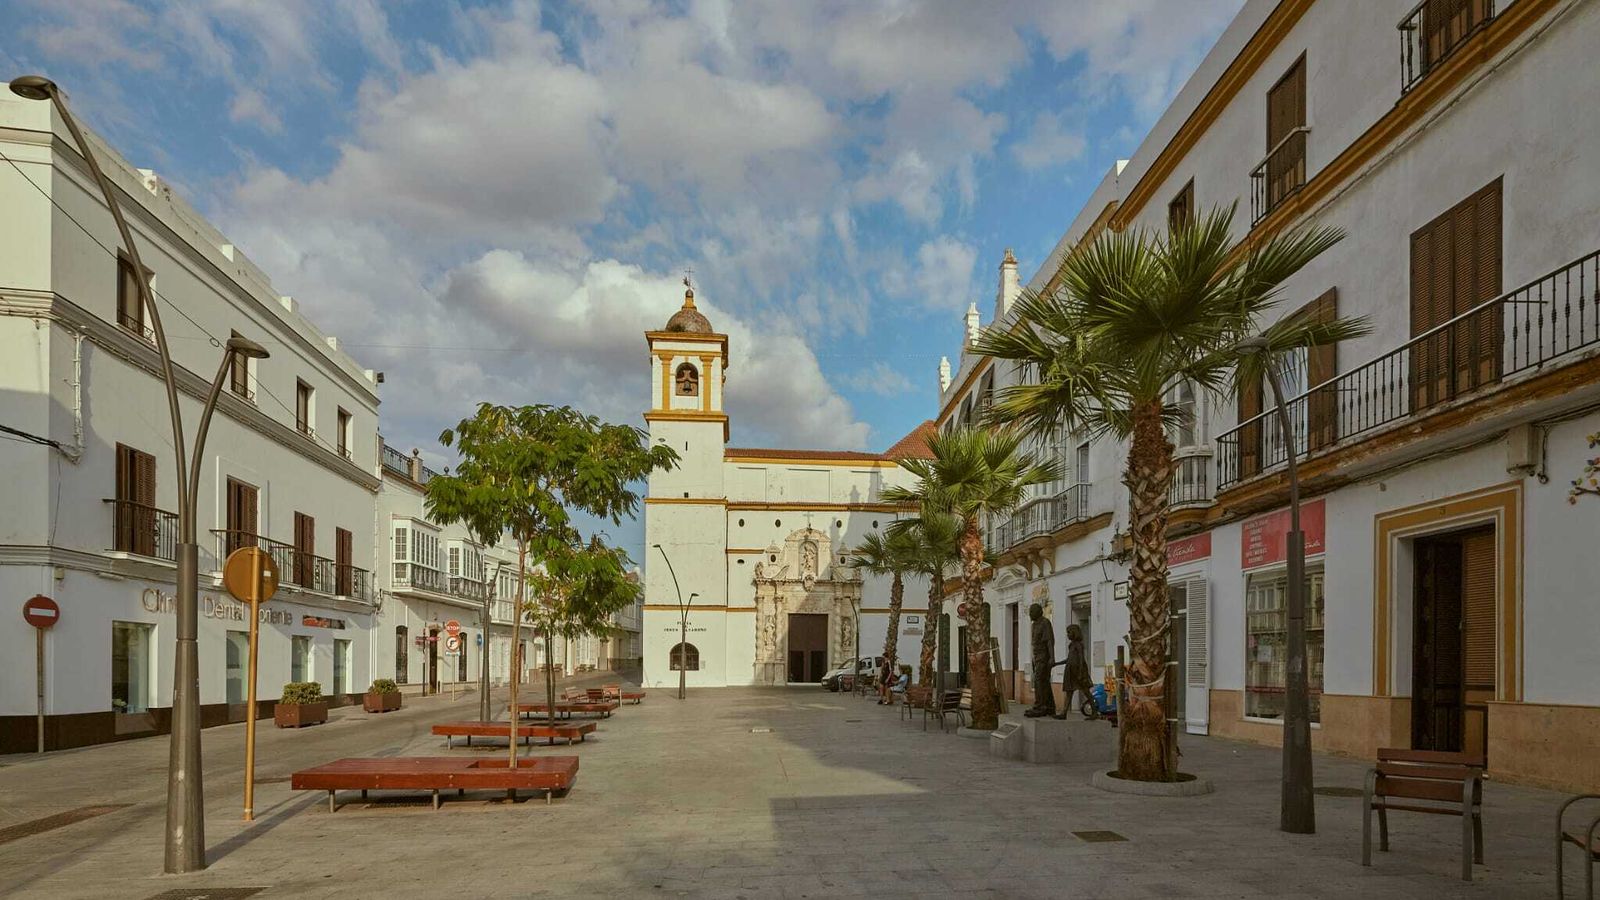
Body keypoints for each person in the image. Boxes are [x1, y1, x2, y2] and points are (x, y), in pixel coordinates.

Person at [1053, 623, 1094, 719]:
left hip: (1077, 672)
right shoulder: (1071, 645)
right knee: (1069, 693)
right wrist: (1057, 663)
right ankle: (1064, 713)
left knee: (1086, 692)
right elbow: (1069, 659)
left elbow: (1081, 658)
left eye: (1069, 632)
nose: (1067, 635)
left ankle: (1094, 711)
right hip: (1070, 671)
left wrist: (1080, 671)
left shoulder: (1079, 645)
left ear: (1074, 633)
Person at [1024, 603, 1057, 717]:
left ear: (1038, 612)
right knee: (1043, 682)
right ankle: (1050, 707)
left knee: (1039, 681)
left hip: (1044, 656)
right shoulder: (1034, 625)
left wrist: (1052, 657)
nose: (1030, 614)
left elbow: (1049, 641)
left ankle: (1040, 706)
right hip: (1037, 657)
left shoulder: (1045, 623)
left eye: (1031, 612)